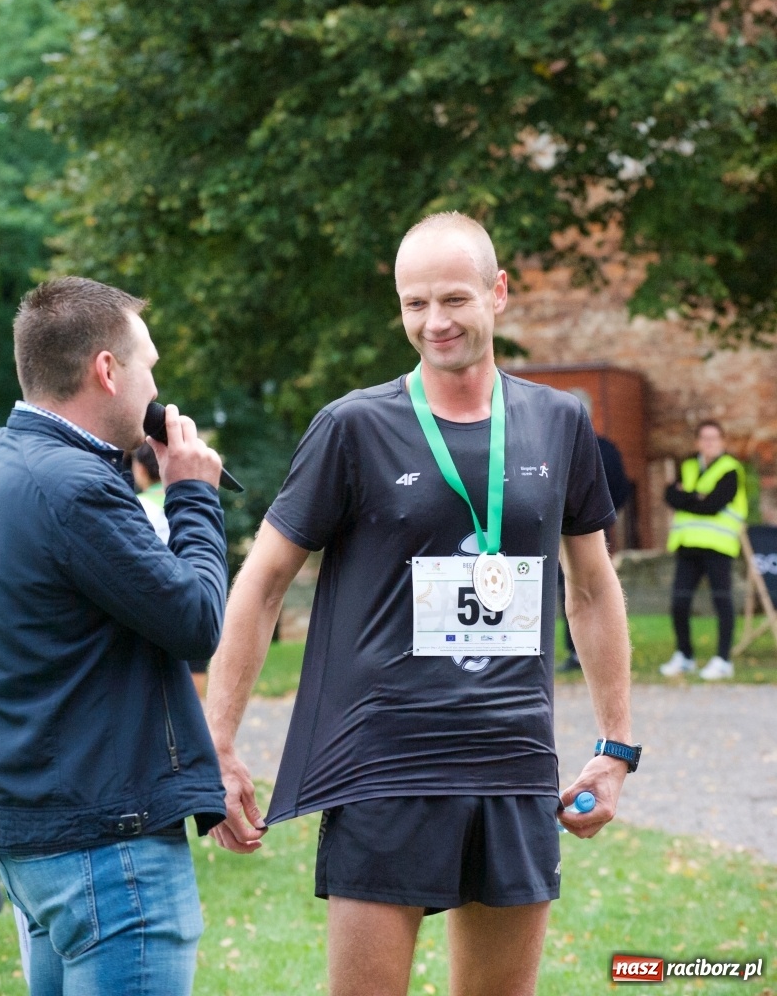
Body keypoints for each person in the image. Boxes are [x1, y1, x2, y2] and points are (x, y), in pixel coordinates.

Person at [206, 213, 639, 996]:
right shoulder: (353, 427)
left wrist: (616, 745)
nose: (433, 322)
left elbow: (593, 586)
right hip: (384, 763)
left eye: (453, 298)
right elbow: (262, 582)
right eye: (414, 304)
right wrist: (221, 742)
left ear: (498, 292)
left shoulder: (559, 421)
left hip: (514, 763)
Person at [0, 277, 228, 995]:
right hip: (108, 848)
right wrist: (191, 495)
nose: (157, 383)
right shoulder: (74, 488)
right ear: (108, 370)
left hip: (33, 836)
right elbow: (196, 621)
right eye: (148, 364)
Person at [660, 420, 747, 681]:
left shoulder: (730, 469)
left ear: (722, 441)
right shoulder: (687, 465)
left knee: (722, 601)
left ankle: (723, 659)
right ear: (697, 441)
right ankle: (685, 656)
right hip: (687, 545)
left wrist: (688, 497)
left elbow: (714, 505)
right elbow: (669, 496)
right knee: (679, 602)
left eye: (714, 438)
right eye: (704, 438)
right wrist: (697, 497)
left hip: (718, 547)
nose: (709, 443)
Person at [558, 390, 632, 672]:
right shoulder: (599, 447)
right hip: (564, 530)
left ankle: (591, 653)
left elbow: (621, 488)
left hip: (592, 531)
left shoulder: (602, 450)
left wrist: (599, 516)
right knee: (568, 591)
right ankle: (575, 651)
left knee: (592, 589)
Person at [132, 440, 212, 698]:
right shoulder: (187, 498)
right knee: (194, 690)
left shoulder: (136, 506)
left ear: (141, 469)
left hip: (158, 598)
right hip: (194, 591)